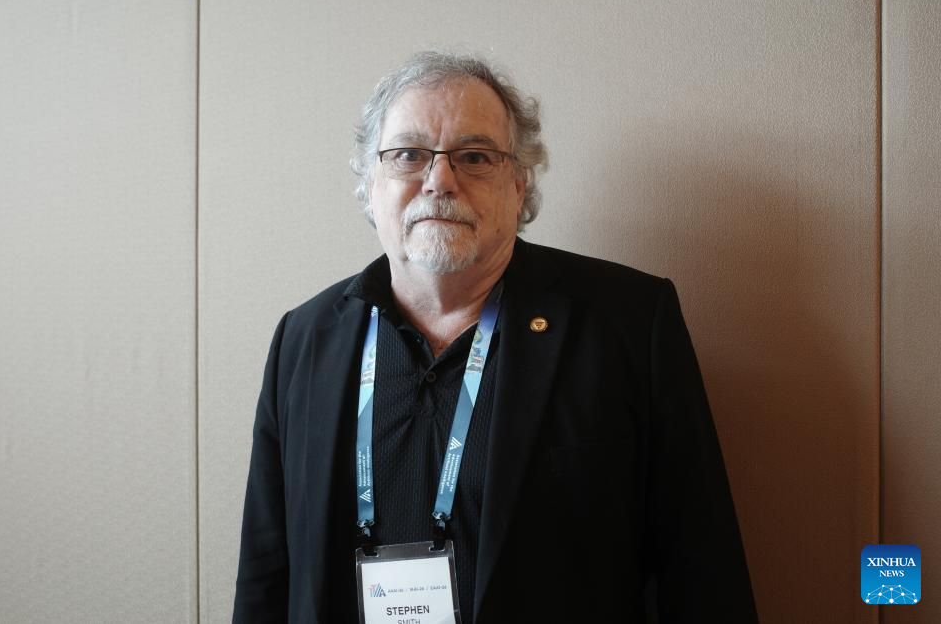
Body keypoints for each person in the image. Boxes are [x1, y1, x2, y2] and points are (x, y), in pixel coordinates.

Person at [233, 51, 758, 623]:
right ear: (369, 182)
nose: (440, 180)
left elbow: (701, 571)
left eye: (474, 156)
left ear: (518, 183)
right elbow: (266, 572)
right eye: (408, 155)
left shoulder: (628, 324)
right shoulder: (303, 340)